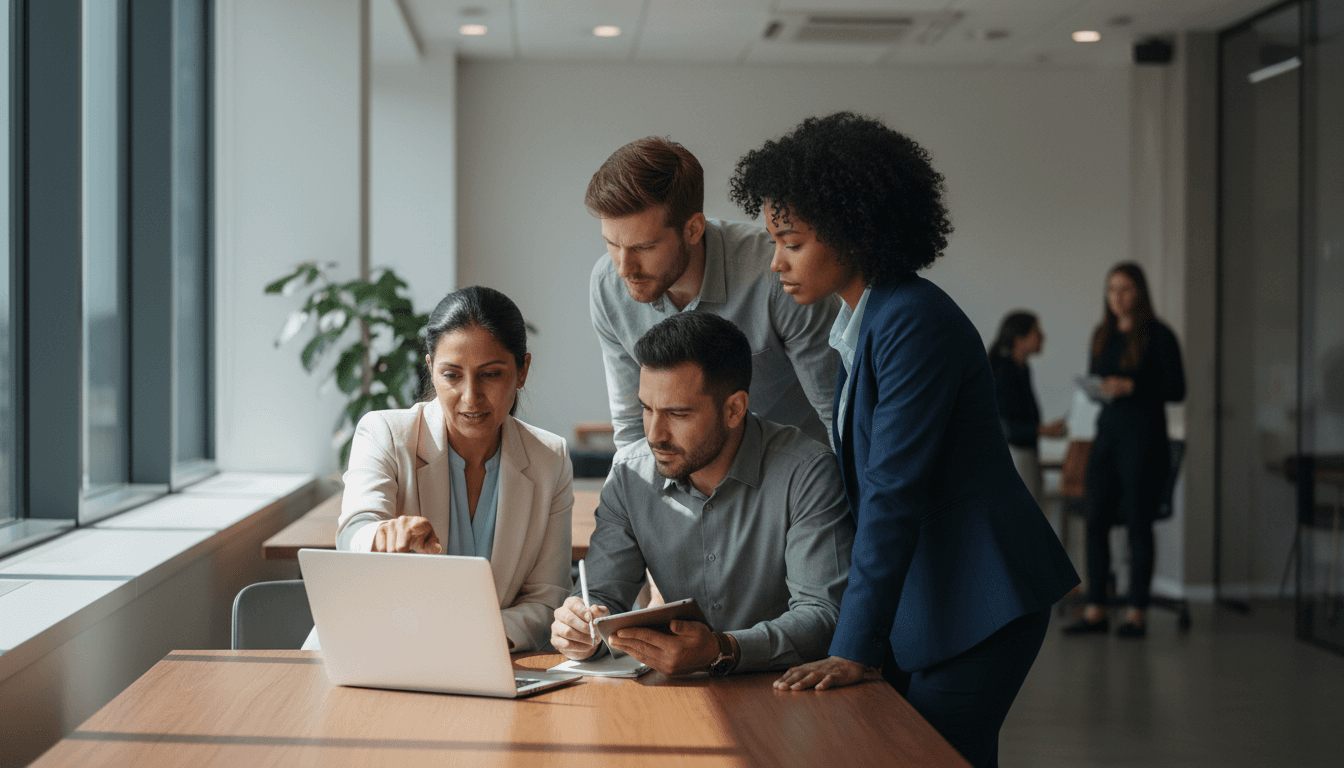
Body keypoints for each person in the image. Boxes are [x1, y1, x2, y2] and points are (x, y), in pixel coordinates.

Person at [729, 112, 1079, 768]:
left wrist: (853, 647)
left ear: (854, 232)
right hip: (938, 601)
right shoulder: (870, 319)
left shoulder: (912, 323)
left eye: (792, 241)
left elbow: (892, 494)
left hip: (980, 601)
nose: (775, 262)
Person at [549, 312, 854, 675]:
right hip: (677, 695)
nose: (654, 435)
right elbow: (600, 596)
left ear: (734, 409)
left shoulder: (806, 471)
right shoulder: (630, 475)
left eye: (677, 414)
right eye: (647, 409)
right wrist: (579, 626)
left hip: (785, 689)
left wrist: (723, 649)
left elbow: (824, 616)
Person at [306, 286, 573, 653]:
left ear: (522, 370)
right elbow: (354, 531)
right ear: (430, 369)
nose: (470, 397)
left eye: (491, 375)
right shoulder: (385, 432)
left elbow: (547, 601)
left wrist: (467, 641)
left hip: (485, 659)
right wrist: (381, 535)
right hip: (373, 651)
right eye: (452, 375)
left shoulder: (549, 459)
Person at [586, 136, 841, 449]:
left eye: (645, 247)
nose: (625, 267)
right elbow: (631, 428)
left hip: (794, 480)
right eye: (612, 244)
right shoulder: (608, 286)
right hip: (689, 481)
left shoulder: (779, 276)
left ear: (693, 229)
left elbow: (837, 415)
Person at [1064, 262, 1185, 639]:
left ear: (1140, 293)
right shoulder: (1103, 334)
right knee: (1095, 520)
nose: (1117, 296)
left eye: (1125, 289)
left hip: (1144, 441)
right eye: (1111, 289)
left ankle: (1136, 613)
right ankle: (1096, 608)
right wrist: (1100, 389)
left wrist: (1132, 387)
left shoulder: (1160, 335)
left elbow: (1177, 390)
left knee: (1138, 523)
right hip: (1107, 438)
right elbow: (1099, 381)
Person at [988, 311, 1067, 504]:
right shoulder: (1003, 372)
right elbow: (1006, 427)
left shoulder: (1020, 369)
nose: (1042, 336)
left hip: (1025, 452)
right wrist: (1043, 430)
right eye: (1036, 331)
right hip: (1015, 455)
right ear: (1019, 339)